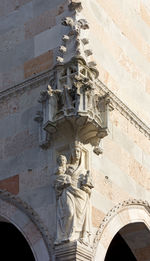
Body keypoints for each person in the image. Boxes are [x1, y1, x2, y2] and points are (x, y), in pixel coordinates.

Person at [54, 142, 94, 245]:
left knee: (78, 216)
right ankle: (65, 235)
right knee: (70, 212)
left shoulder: (84, 171)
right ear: (71, 152)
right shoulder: (67, 167)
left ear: (81, 153)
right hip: (68, 191)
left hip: (81, 196)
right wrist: (64, 181)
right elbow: (58, 179)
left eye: (78, 151)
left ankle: (75, 235)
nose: (76, 153)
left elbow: (89, 188)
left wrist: (87, 188)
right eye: (74, 151)